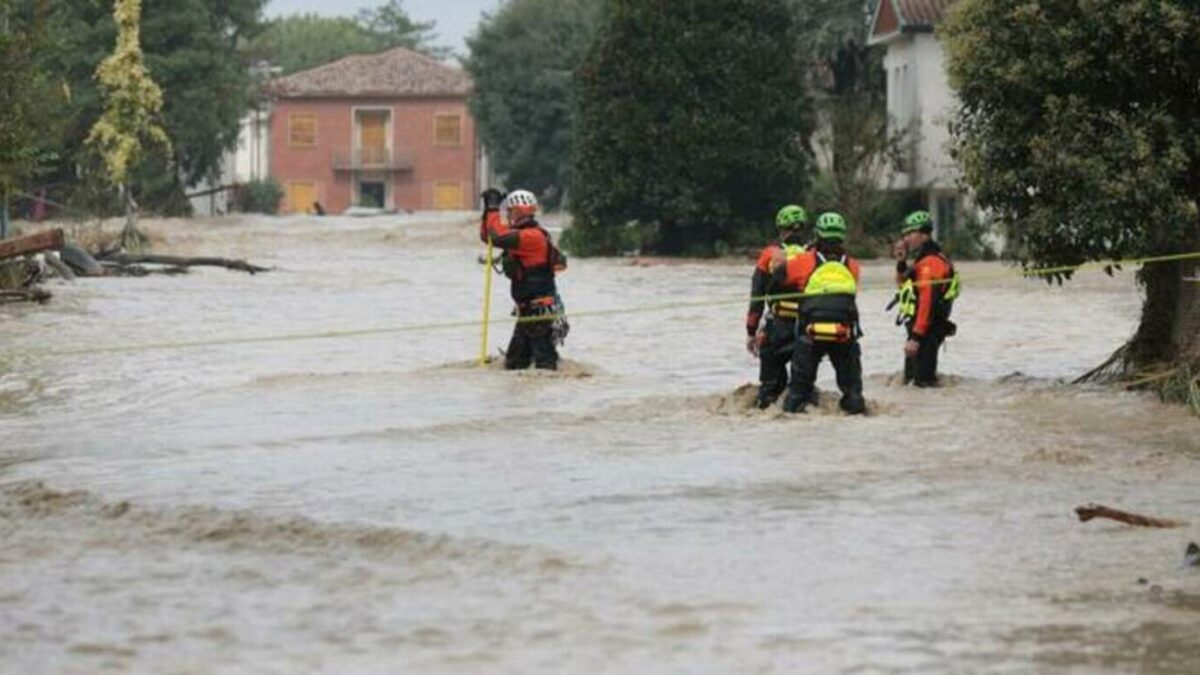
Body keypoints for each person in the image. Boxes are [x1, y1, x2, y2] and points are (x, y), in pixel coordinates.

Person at [771, 212, 865, 415]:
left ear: (817, 235)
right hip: (843, 335)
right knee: (854, 396)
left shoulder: (804, 261)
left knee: (796, 398)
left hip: (810, 336)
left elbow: (778, 278)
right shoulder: (853, 266)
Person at [480, 188, 568, 370]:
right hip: (528, 313)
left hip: (539, 312)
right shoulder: (521, 235)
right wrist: (488, 211)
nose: (508, 216)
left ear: (518, 212)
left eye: (510, 211)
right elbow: (488, 236)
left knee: (545, 366)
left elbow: (496, 236)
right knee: (515, 365)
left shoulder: (531, 236)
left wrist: (494, 208)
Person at [746, 205, 809, 409]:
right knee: (803, 391)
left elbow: (757, 298)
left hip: (778, 328)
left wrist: (751, 331)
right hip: (807, 328)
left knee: (769, 390)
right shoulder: (815, 255)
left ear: (781, 230)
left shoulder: (770, 255)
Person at [893, 210, 959, 387]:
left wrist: (915, 338)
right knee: (910, 382)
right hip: (919, 329)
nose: (906, 239)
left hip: (926, 331)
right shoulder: (922, 259)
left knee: (923, 384)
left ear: (923, 234)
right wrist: (901, 262)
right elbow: (902, 285)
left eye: (910, 233)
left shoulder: (931, 263)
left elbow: (927, 302)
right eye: (904, 234)